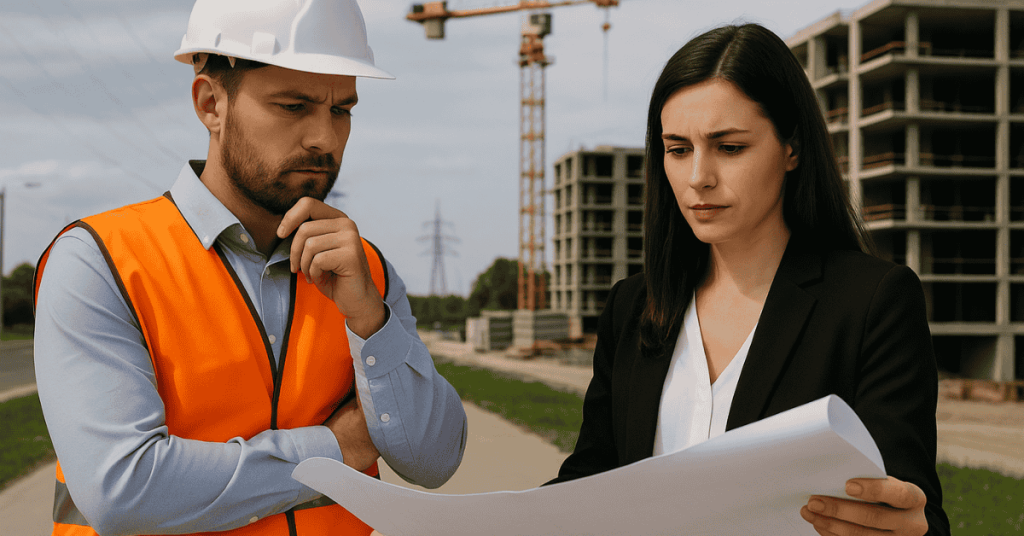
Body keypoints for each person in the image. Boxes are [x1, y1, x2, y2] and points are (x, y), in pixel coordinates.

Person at [31, 1, 467, 535]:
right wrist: (336, 449)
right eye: (293, 106)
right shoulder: (100, 261)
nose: (325, 139)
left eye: (341, 110)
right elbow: (123, 489)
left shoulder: (364, 270)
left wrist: (370, 322)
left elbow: (436, 459)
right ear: (211, 103)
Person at [548, 23, 950, 536]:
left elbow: (914, 511)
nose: (699, 177)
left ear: (792, 148)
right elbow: (589, 481)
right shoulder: (633, 306)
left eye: (729, 147)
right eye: (678, 149)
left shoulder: (872, 303)